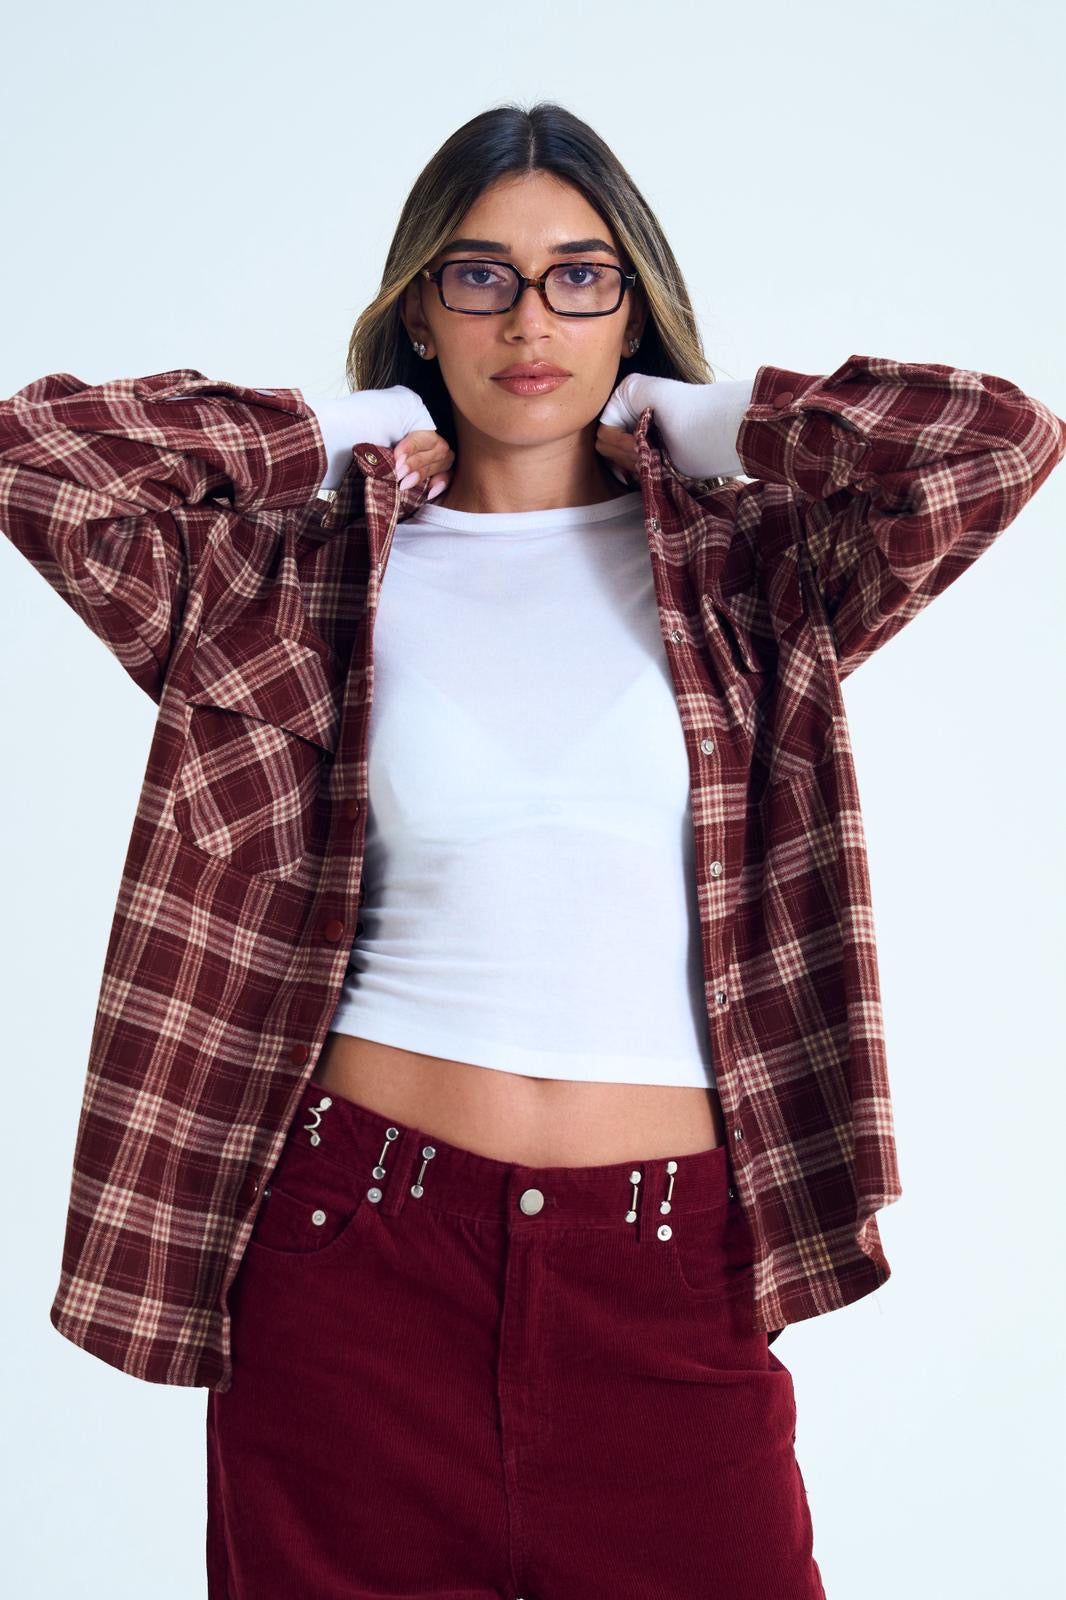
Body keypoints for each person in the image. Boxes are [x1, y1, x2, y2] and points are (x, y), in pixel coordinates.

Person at [4, 101, 1064, 1599]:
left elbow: (996, 443)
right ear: (419, 307)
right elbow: (40, 462)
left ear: (631, 300)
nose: (529, 320)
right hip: (352, 1262)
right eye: (478, 276)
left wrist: (702, 418)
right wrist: (346, 430)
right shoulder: (288, 583)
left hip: (669, 1267)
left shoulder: (755, 574)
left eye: (579, 276)